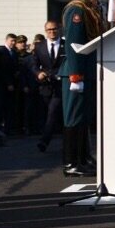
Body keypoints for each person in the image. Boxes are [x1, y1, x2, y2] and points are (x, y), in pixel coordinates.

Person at [59, 0, 108, 176]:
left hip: (87, 70)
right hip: (75, 71)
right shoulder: (76, 9)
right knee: (74, 117)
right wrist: (76, 75)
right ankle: (71, 163)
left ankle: (84, 158)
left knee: (85, 116)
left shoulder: (91, 8)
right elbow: (74, 44)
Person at [31, 19, 65, 153]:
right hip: (45, 86)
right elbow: (33, 64)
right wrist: (38, 73)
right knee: (50, 114)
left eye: (54, 29)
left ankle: (44, 141)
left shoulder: (66, 44)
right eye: (49, 30)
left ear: (59, 29)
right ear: (45, 31)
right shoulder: (39, 46)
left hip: (60, 85)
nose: (52, 32)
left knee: (52, 112)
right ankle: (65, 139)